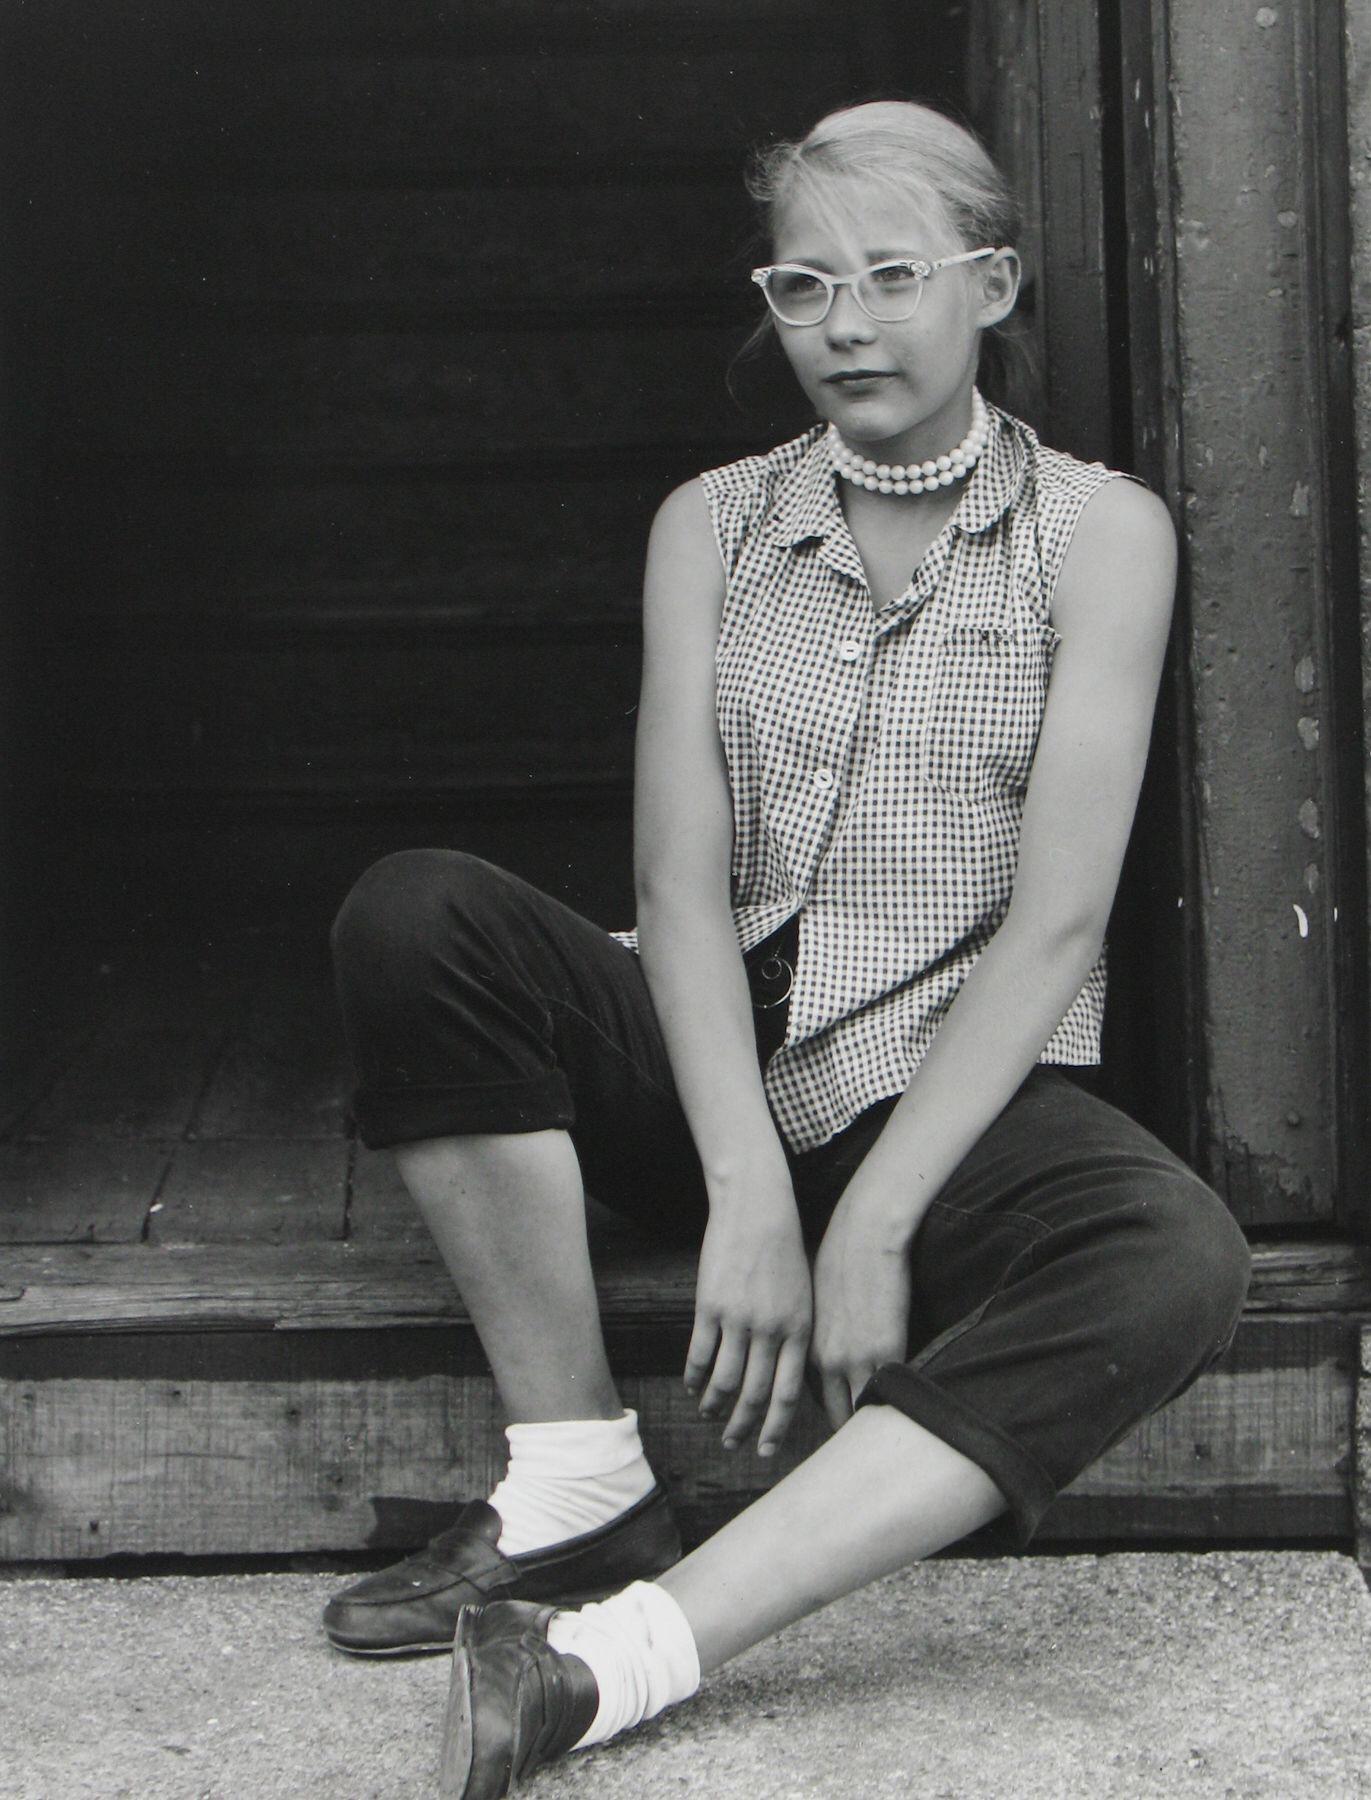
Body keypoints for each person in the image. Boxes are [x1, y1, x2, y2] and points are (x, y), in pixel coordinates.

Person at [325, 100, 1252, 1798]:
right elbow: (679, 893)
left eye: (895, 275)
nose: (847, 322)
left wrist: (878, 1212)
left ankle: (621, 1652)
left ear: (993, 282)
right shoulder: (715, 523)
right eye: (803, 281)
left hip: (944, 1080)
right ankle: (576, 1482)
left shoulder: (1102, 537)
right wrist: (752, 1192)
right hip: (708, 1062)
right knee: (420, 914)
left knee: (1174, 1253)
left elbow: (1058, 920)